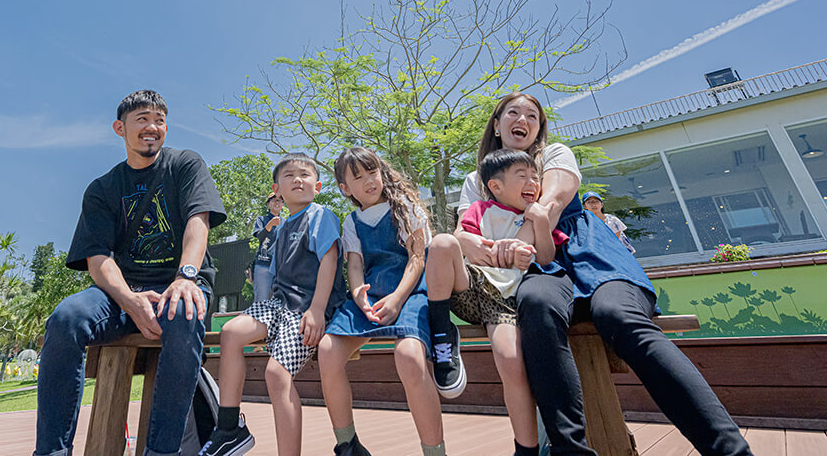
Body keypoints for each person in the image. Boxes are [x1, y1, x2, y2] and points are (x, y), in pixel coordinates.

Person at [461, 92, 752, 456]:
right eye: (513, 113)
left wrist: (515, 244)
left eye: (533, 116)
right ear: (497, 124)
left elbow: (550, 204)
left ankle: (729, 450)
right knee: (535, 305)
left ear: (540, 128)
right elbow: (465, 232)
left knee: (618, 314)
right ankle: (570, 450)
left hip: (584, 249)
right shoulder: (477, 179)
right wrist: (478, 247)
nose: (523, 119)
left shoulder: (555, 155)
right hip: (538, 266)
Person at [34, 90, 227, 456]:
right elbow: (97, 259)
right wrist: (129, 300)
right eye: (142, 119)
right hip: (123, 289)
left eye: (159, 120)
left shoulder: (185, 164)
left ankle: (163, 450)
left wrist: (186, 276)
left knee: (185, 311)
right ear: (119, 128)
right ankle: (51, 451)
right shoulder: (102, 189)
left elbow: (198, 223)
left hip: (180, 282)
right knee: (65, 319)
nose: (152, 127)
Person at [200, 153, 344, 456]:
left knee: (276, 374)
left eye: (305, 175)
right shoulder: (279, 228)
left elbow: (329, 261)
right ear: (277, 189)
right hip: (279, 305)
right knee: (230, 332)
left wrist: (317, 310)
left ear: (317, 186)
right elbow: (277, 276)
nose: (298, 180)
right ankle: (228, 426)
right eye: (289, 175)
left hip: (308, 307)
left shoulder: (320, 215)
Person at [425, 149, 563, 456]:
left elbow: (547, 257)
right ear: (496, 186)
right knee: (441, 242)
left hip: (505, 304)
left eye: (535, 176)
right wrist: (478, 246)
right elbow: (462, 239)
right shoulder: (480, 209)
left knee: (511, 362)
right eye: (522, 176)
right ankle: (441, 332)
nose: (532, 182)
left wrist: (540, 224)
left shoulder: (535, 214)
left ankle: (525, 449)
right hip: (471, 289)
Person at [319, 147, 441, 456]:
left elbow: (417, 258)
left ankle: (434, 451)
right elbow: (355, 265)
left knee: (410, 357)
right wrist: (359, 295)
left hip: (409, 292)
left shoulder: (407, 207)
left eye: (372, 172)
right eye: (358, 177)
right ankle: (348, 445)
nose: (370, 181)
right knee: (328, 350)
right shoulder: (351, 222)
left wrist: (398, 299)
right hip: (371, 296)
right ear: (345, 188)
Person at [251, 193, 284, 301]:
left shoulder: (286, 222)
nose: (277, 202)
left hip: (280, 268)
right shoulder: (261, 220)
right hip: (263, 264)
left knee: (279, 302)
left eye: (280, 200)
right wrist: (270, 225)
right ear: (268, 203)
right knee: (261, 301)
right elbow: (260, 237)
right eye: (274, 200)